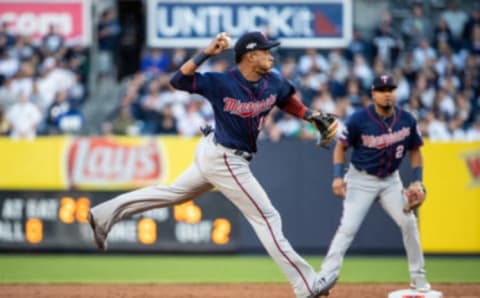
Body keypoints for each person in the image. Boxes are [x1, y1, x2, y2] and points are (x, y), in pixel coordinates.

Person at [88, 31, 338, 298]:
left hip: (217, 153)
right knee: (267, 217)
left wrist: (309, 114)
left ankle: (102, 215)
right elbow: (179, 80)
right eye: (265, 51)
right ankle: (306, 284)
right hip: (225, 158)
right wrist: (207, 52)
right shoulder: (222, 82)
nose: (271, 55)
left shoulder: (272, 80)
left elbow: (286, 98)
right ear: (251, 56)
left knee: (173, 193)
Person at [317, 74, 431, 292]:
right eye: (382, 89)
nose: (387, 93)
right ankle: (324, 277)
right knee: (348, 228)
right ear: (373, 94)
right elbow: (341, 147)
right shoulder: (359, 119)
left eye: (390, 89)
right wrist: (338, 176)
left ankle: (418, 278)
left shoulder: (407, 119)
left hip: (390, 180)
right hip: (361, 180)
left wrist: (417, 181)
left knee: (409, 223)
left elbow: (416, 151)